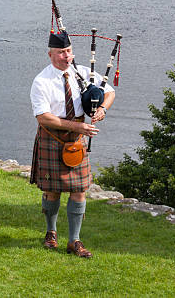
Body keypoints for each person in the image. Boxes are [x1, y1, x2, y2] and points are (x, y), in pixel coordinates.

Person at [30, 31, 115, 258]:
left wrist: (102, 109)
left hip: (77, 140)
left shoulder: (83, 73)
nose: (65, 56)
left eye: (68, 51)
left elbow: (110, 92)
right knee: (52, 191)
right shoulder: (42, 81)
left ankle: (74, 240)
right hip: (53, 136)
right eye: (60, 52)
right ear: (50, 54)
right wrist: (78, 127)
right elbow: (43, 117)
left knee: (79, 191)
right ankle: (51, 232)